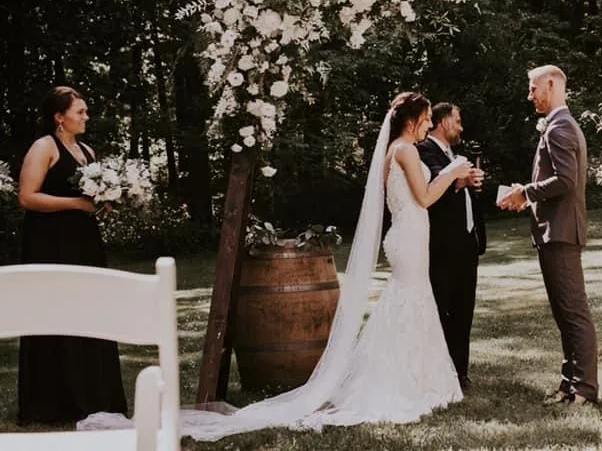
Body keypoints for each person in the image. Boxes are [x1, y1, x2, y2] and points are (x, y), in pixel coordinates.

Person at [80, 92, 473, 440]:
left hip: (413, 235)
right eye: (425, 118)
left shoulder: (403, 149)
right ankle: (404, 382)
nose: (428, 124)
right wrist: (452, 173)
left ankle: (417, 377)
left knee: (410, 299)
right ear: (412, 119)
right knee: (409, 298)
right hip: (409, 234)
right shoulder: (404, 149)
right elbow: (423, 198)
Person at [17, 86, 128, 425]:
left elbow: (89, 196)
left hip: (84, 242)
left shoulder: (86, 150)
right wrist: (75, 204)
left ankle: (95, 395)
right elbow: (27, 197)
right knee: (55, 312)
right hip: (49, 242)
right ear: (59, 117)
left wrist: (106, 201)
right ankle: (53, 402)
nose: (86, 116)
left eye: (85, 110)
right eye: (80, 111)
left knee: (90, 310)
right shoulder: (43, 147)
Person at [498, 65, 598, 406]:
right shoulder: (559, 125)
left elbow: (566, 181)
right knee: (563, 313)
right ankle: (570, 384)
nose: (530, 96)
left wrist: (524, 193)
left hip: (560, 231)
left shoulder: (560, 127)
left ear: (551, 85)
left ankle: (583, 388)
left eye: (532, 88)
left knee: (573, 312)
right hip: (554, 231)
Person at [417, 103, 487, 391]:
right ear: (444, 123)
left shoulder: (456, 156)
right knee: (442, 309)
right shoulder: (423, 151)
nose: (461, 126)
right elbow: (434, 185)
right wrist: (459, 182)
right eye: (457, 121)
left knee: (464, 311)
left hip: (467, 245)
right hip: (442, 247)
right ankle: (441, 371)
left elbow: (461, 189)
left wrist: (473, 185)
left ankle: (461, 371)